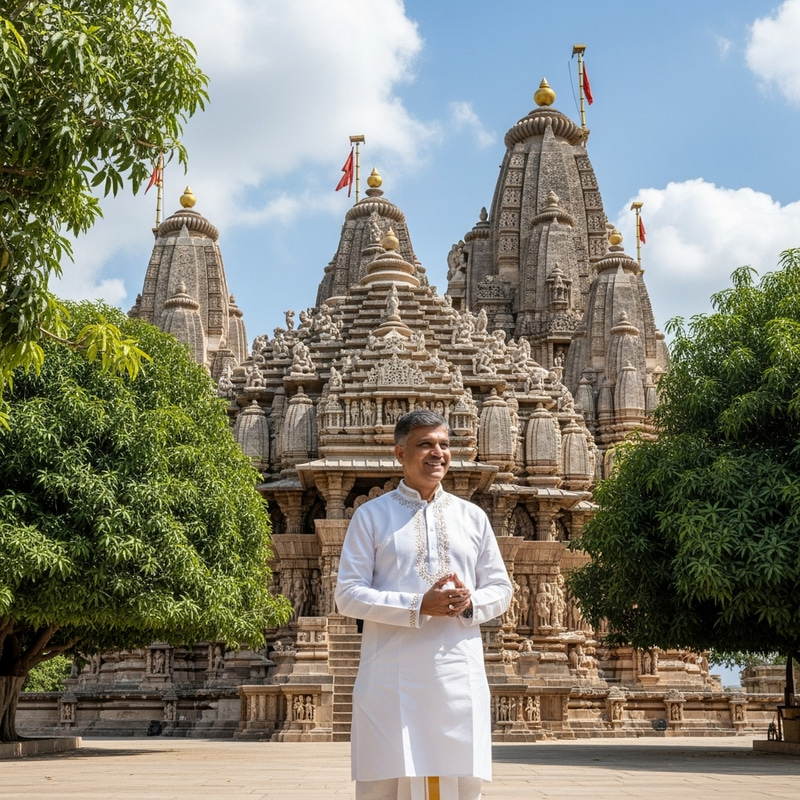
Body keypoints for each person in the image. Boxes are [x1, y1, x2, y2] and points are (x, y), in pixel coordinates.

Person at [335, 409, 512, 800]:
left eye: (444, 445)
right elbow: (347, 594)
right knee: (384, 783)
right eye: (425, 444)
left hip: (457, 678)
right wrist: (418, 605)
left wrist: (469, 603)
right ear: (400, 453)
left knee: (460, 784)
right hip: (390, 678)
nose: (438, 453)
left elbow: (501, 588)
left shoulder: (473, 517)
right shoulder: (371, 516)